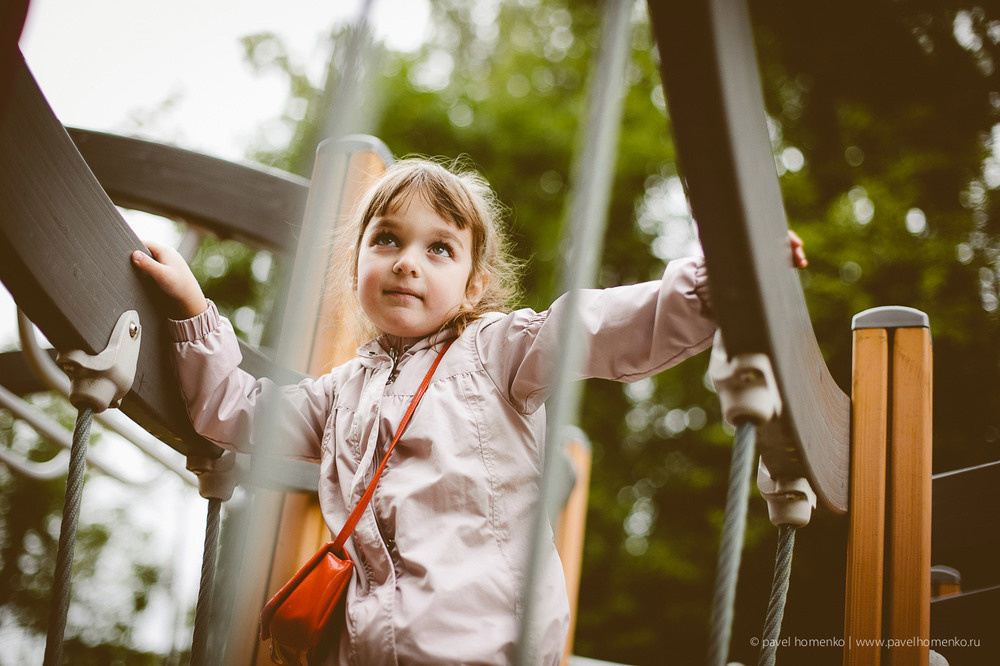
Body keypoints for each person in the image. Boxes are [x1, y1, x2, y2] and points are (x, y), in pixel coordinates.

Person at [132, 157, 806, 665]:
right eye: (388, 240)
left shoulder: (497, 353)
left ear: (472, 284)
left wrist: (720, 283)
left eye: (439, 248)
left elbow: (596, 328)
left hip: (487, 648)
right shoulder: (339, 392)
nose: (408, 263)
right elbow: (238, 409)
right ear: (357, 263)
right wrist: (194, 312)